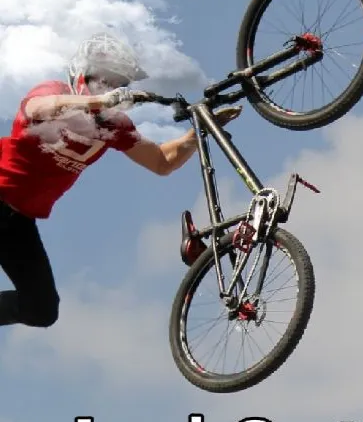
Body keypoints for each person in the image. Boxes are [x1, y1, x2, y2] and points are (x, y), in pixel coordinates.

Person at [0, 32, 240, 328]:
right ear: (80, 76)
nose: (111, 88)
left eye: (119, 84)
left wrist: (198, 133)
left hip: (17, 223)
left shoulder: (115, 127)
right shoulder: (54, 92)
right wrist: (98, 102)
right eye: (104, 80)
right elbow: (37, 108)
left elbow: (161, 161)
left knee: (41, 309)